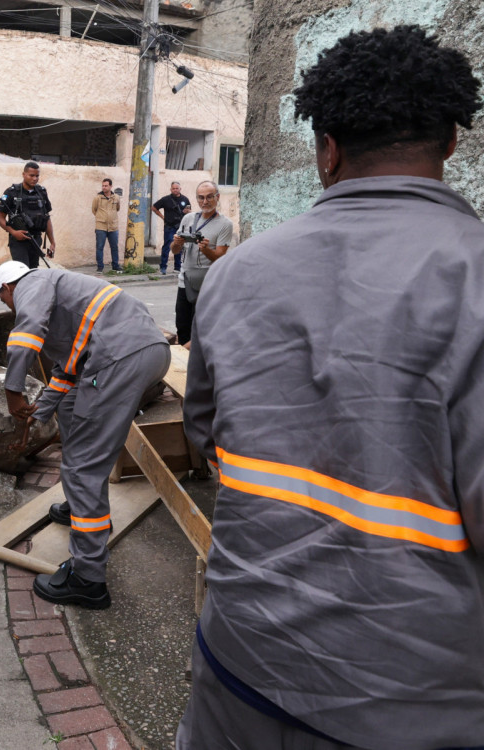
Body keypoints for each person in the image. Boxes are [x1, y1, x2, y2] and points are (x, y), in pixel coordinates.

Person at [177, 26, 484, 750]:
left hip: (237, 667)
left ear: (328, 148)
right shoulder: (471, 277)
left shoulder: (236, 274)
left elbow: (206, 439)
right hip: (412, 704)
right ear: (450, 143)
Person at [0, 260, 167, 608]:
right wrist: (35, 418)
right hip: (144, 351)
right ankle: (80, 507)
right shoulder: (69, 299)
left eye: (5, 301)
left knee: (85, 465)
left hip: (119, 357)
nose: (10, 307)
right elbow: (66, 373)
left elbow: (27, 331)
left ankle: (87, 577)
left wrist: (14, 390)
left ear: (7, 287)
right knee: (70, 408)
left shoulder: (33, 281)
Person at [170, 181, 231, 346]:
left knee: (202, 330)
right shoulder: (188, 218)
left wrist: (205, 249)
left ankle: (198, 366)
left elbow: (219, 257)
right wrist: (177, 242)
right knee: (182, 327)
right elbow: (175, 251)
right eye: (201, 198)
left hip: (208, 285)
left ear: (217, 197)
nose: (205, 202)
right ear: (196, 199)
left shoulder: (225, 224)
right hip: (185, 282)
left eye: (210, 197)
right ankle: (184, 366)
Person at [0, 161, 56, 269]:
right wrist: (13, 232)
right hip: (19, 241)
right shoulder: (11, 192)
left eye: (37, 176)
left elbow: (46, 218)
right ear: (24, 174)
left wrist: (52, 242)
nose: (35, 179)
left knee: (33, 272)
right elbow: (0, 219)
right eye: (31, 175)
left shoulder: (41, 192)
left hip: (36, 239)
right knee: (22, 271)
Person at [151, 181, 191, 275]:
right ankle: (163, 267)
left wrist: (187, 211)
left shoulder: (185, 199)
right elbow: (154, 208)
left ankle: (177, 267)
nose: (175, 190)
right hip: (169, 227)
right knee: (167, 246)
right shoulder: (166, 199)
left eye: (177, 188)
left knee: (179, 246)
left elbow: (190, 211)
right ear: (170, 189)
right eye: (173, 188)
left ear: (180, 189)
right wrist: (163, 217)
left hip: (181, 227)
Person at [91, 178, 122, 273]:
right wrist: (102, 217)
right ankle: (100, 267)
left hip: (113, 226)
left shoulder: (116, 197)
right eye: (103, 186)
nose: (104, 187)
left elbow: (117, 208)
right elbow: (94, 210)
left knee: (114, 247)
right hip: (101, 226)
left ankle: (115, 265)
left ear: (110, 186)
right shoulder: (98, 198)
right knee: (100, 247)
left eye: (106, 186)